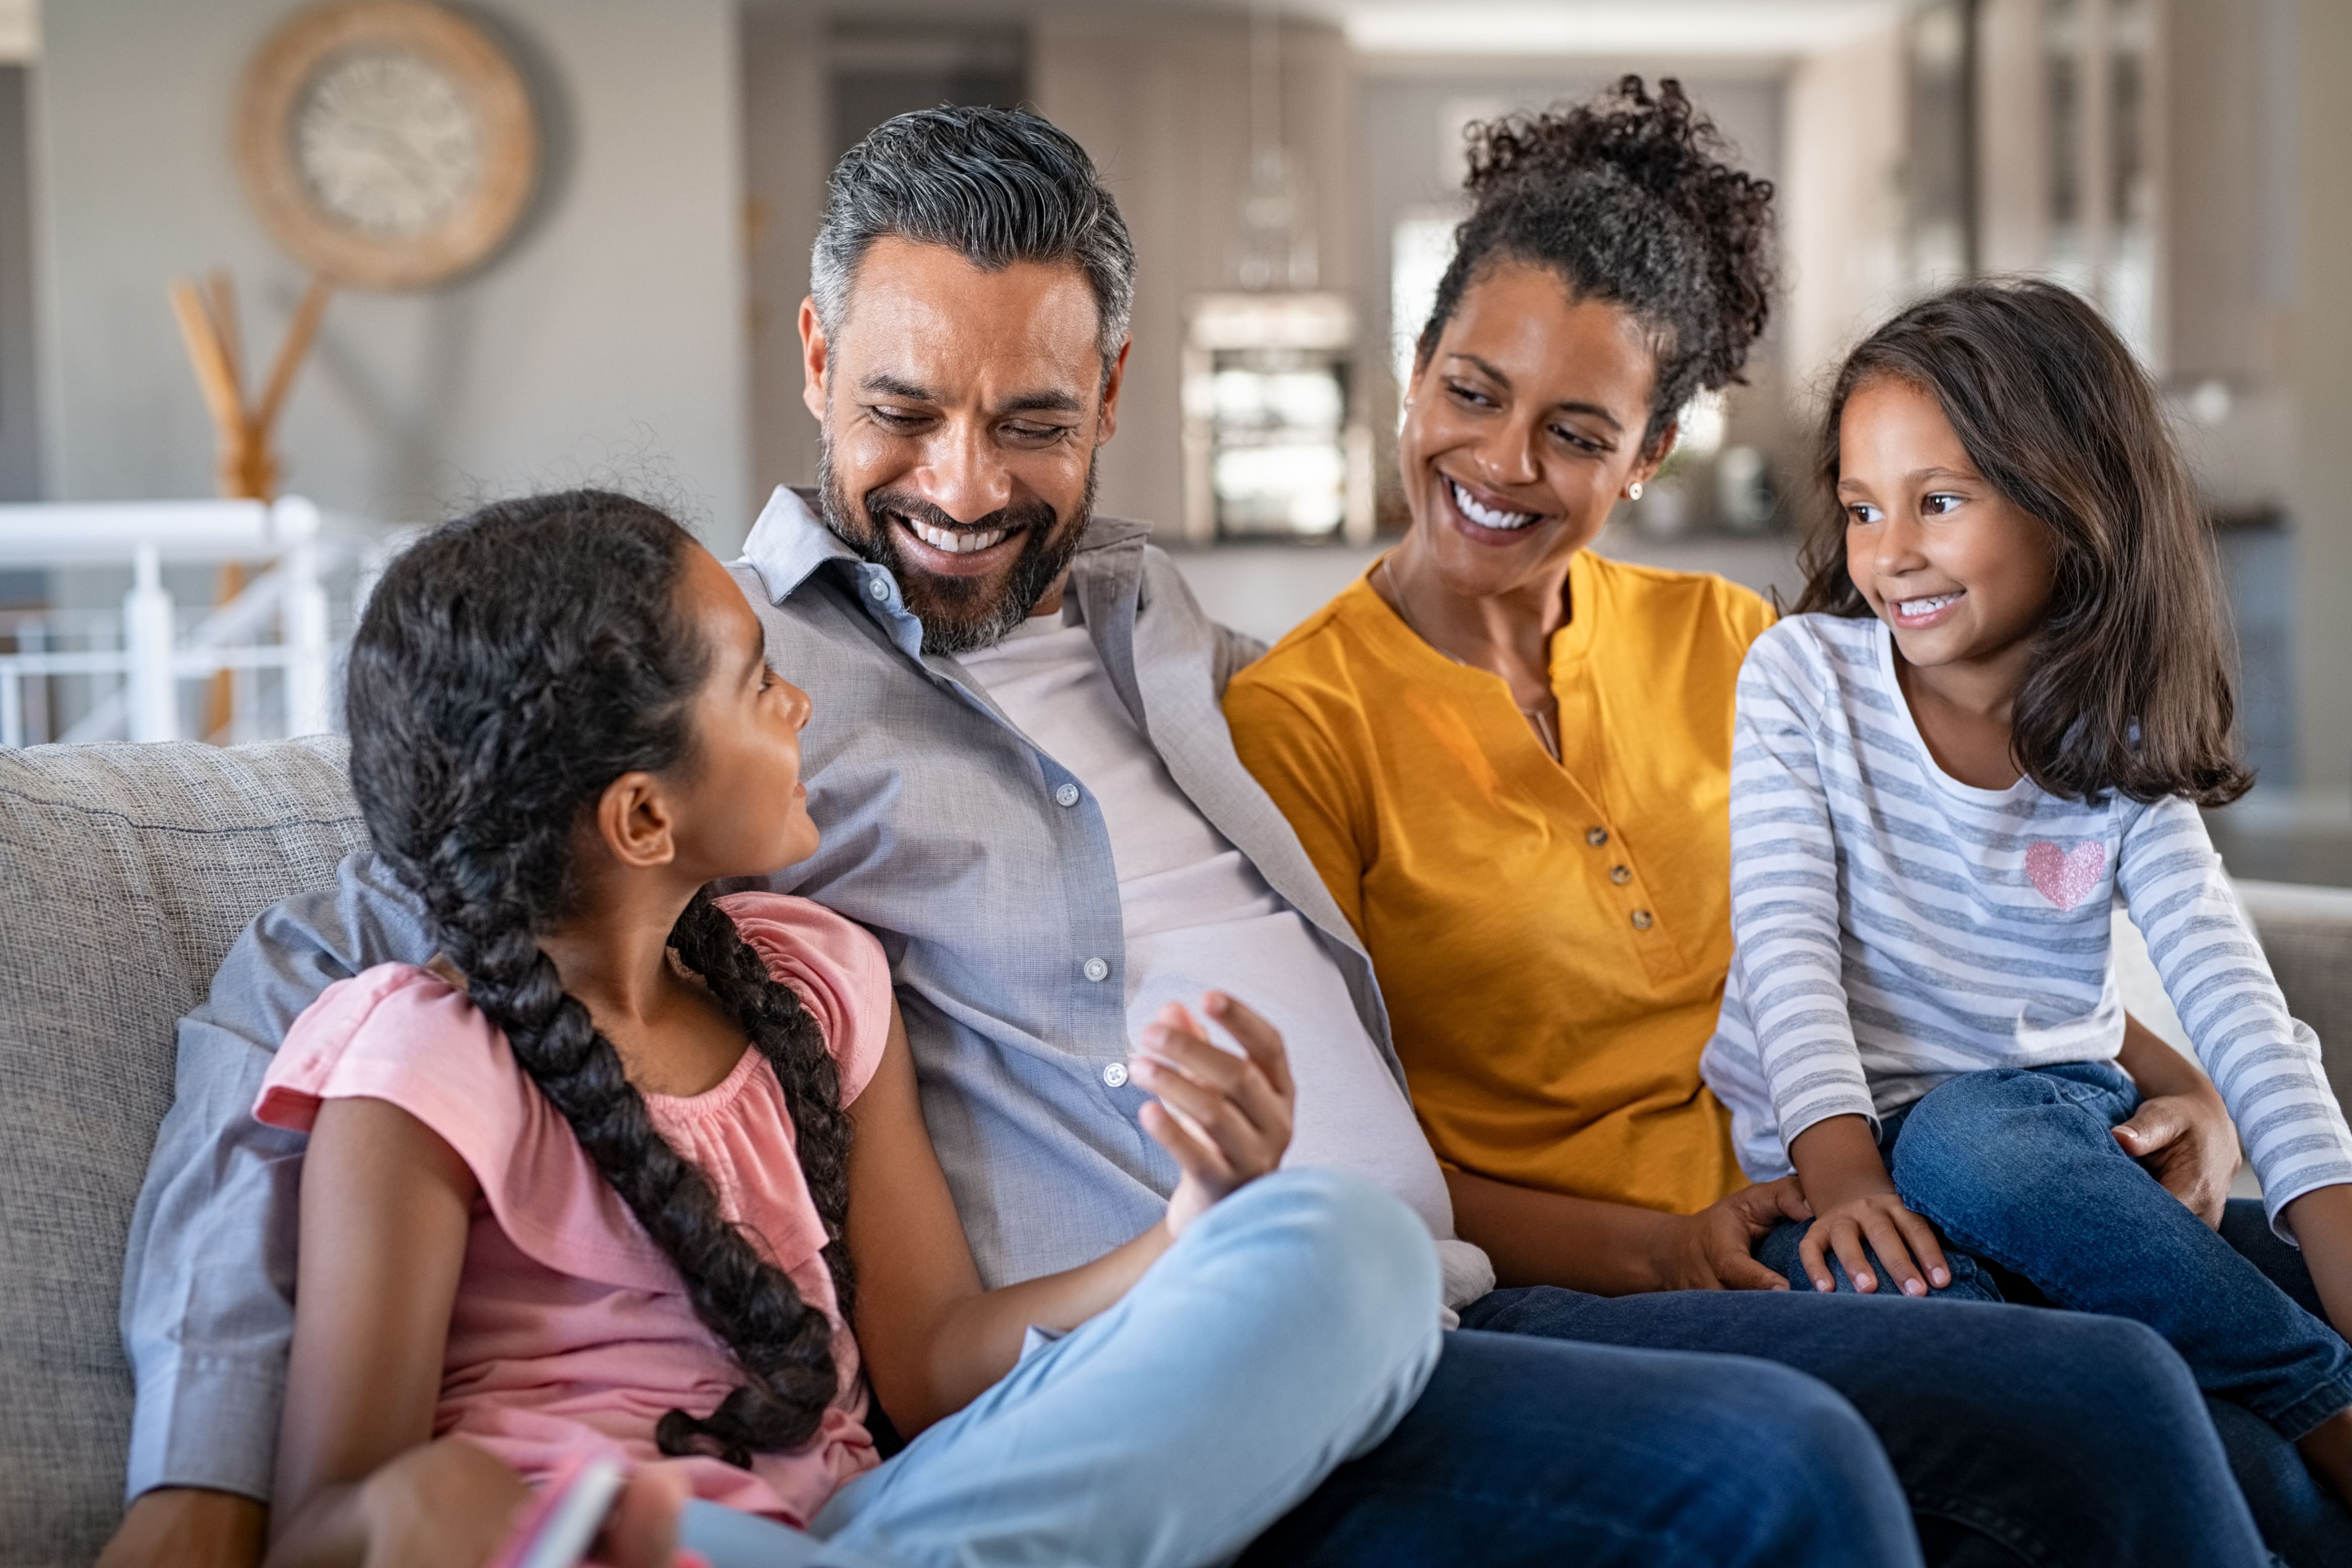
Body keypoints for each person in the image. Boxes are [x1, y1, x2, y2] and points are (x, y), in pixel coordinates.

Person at [104, 105, 2231, 1567]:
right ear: (817, 352)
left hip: (1463, 1289)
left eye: (1033, 418)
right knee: (1790, 1477)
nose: (962, 478)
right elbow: (335, 964)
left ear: (1111, 393)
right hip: (1166, 1364)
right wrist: (202, 1491)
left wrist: (2101, 1044)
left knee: (2111, 1405)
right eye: (904, 409)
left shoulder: (1165, 632)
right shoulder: (699, 694)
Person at [1225, 78, 2334, 1560]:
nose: (1501, 464)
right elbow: (1359, 1158)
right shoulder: (1302, 721)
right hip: (1611, 1276)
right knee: (2135, 1396)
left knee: (2265, 1365)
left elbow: (1925, 903)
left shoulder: (1731, 641)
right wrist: (1663, 1243)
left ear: (1652, 455)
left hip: (1859, 1186)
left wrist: (2174, 1078)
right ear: (1413, 372)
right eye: (1472, 393)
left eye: (1576, 429)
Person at [253, 488, 1444, 1568]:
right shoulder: (420, 1065)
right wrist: (420, 1507)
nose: (802, 705)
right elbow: (321, 1522)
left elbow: (931, 1369)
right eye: (759, 683)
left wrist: (1192, 1227)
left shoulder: (817, 984)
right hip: (584, 1543)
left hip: (863, 1528)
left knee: (1348, 1248)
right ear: (643, 817)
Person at [1699, 278, 2352, 1497]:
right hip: (1838, 1157)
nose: (1891, 555)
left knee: (1975, 1135)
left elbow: (2236, 1001)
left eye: (1940, 502)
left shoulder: (2119, 741)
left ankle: (2318, 1403)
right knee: (2019, 1331)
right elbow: (1783, 945)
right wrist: (1841, 1172)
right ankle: (2316, 1404)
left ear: (2073, 506)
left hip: (2037, 1134)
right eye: (1860, 508)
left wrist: (2334, 1212)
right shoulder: (1803, 681)